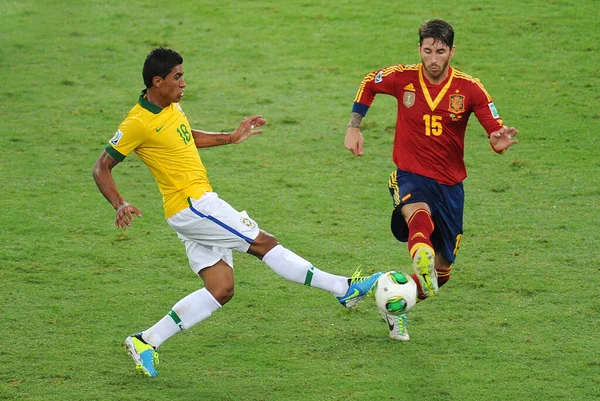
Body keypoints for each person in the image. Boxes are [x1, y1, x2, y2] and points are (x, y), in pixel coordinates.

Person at [92, 48, 382, 377]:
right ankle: (343, 288)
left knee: (221, 289)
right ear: (157, 82)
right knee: (263, 243)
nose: (184, 83)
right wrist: (120, 203)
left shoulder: (171, 107)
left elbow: (186, 137)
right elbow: (101, 167)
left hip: (191, 209)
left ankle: (146, 341)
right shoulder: (137, 123)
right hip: (194, 205)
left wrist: (230, 137)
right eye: (177, 77)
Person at [344, 19, 518, 341]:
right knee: (418, 216)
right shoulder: (403, 79)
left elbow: (495, 131)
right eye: (427, 51)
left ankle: (385, 298)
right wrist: (354, 126)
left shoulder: (470, 88)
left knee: (441, 274)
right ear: (420, 50)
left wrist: (498, 142)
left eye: (440, 51)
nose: (433, 59)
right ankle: (418, 253)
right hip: (411, 174)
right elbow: (370, 82)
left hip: (451, 187)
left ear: (452, 51)